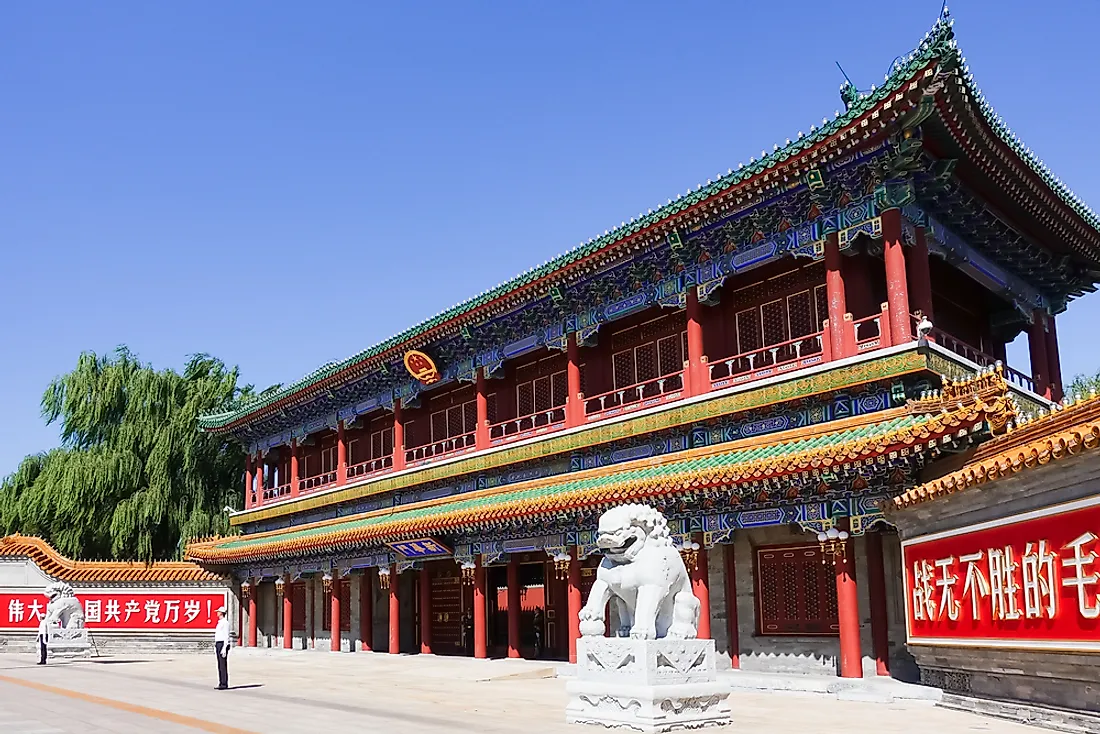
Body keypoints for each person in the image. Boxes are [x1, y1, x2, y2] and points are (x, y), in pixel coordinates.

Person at [213, 606, 230, 690]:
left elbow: (226, 636)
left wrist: (224, 647)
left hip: (223, 644)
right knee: (219, 665)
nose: (217, 613)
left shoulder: (225, 623)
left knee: (223, 665)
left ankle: (224, 683)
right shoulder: (219, 622)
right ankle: (221, 682)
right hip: (218, 643)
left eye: (218, 612)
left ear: (221, 613)